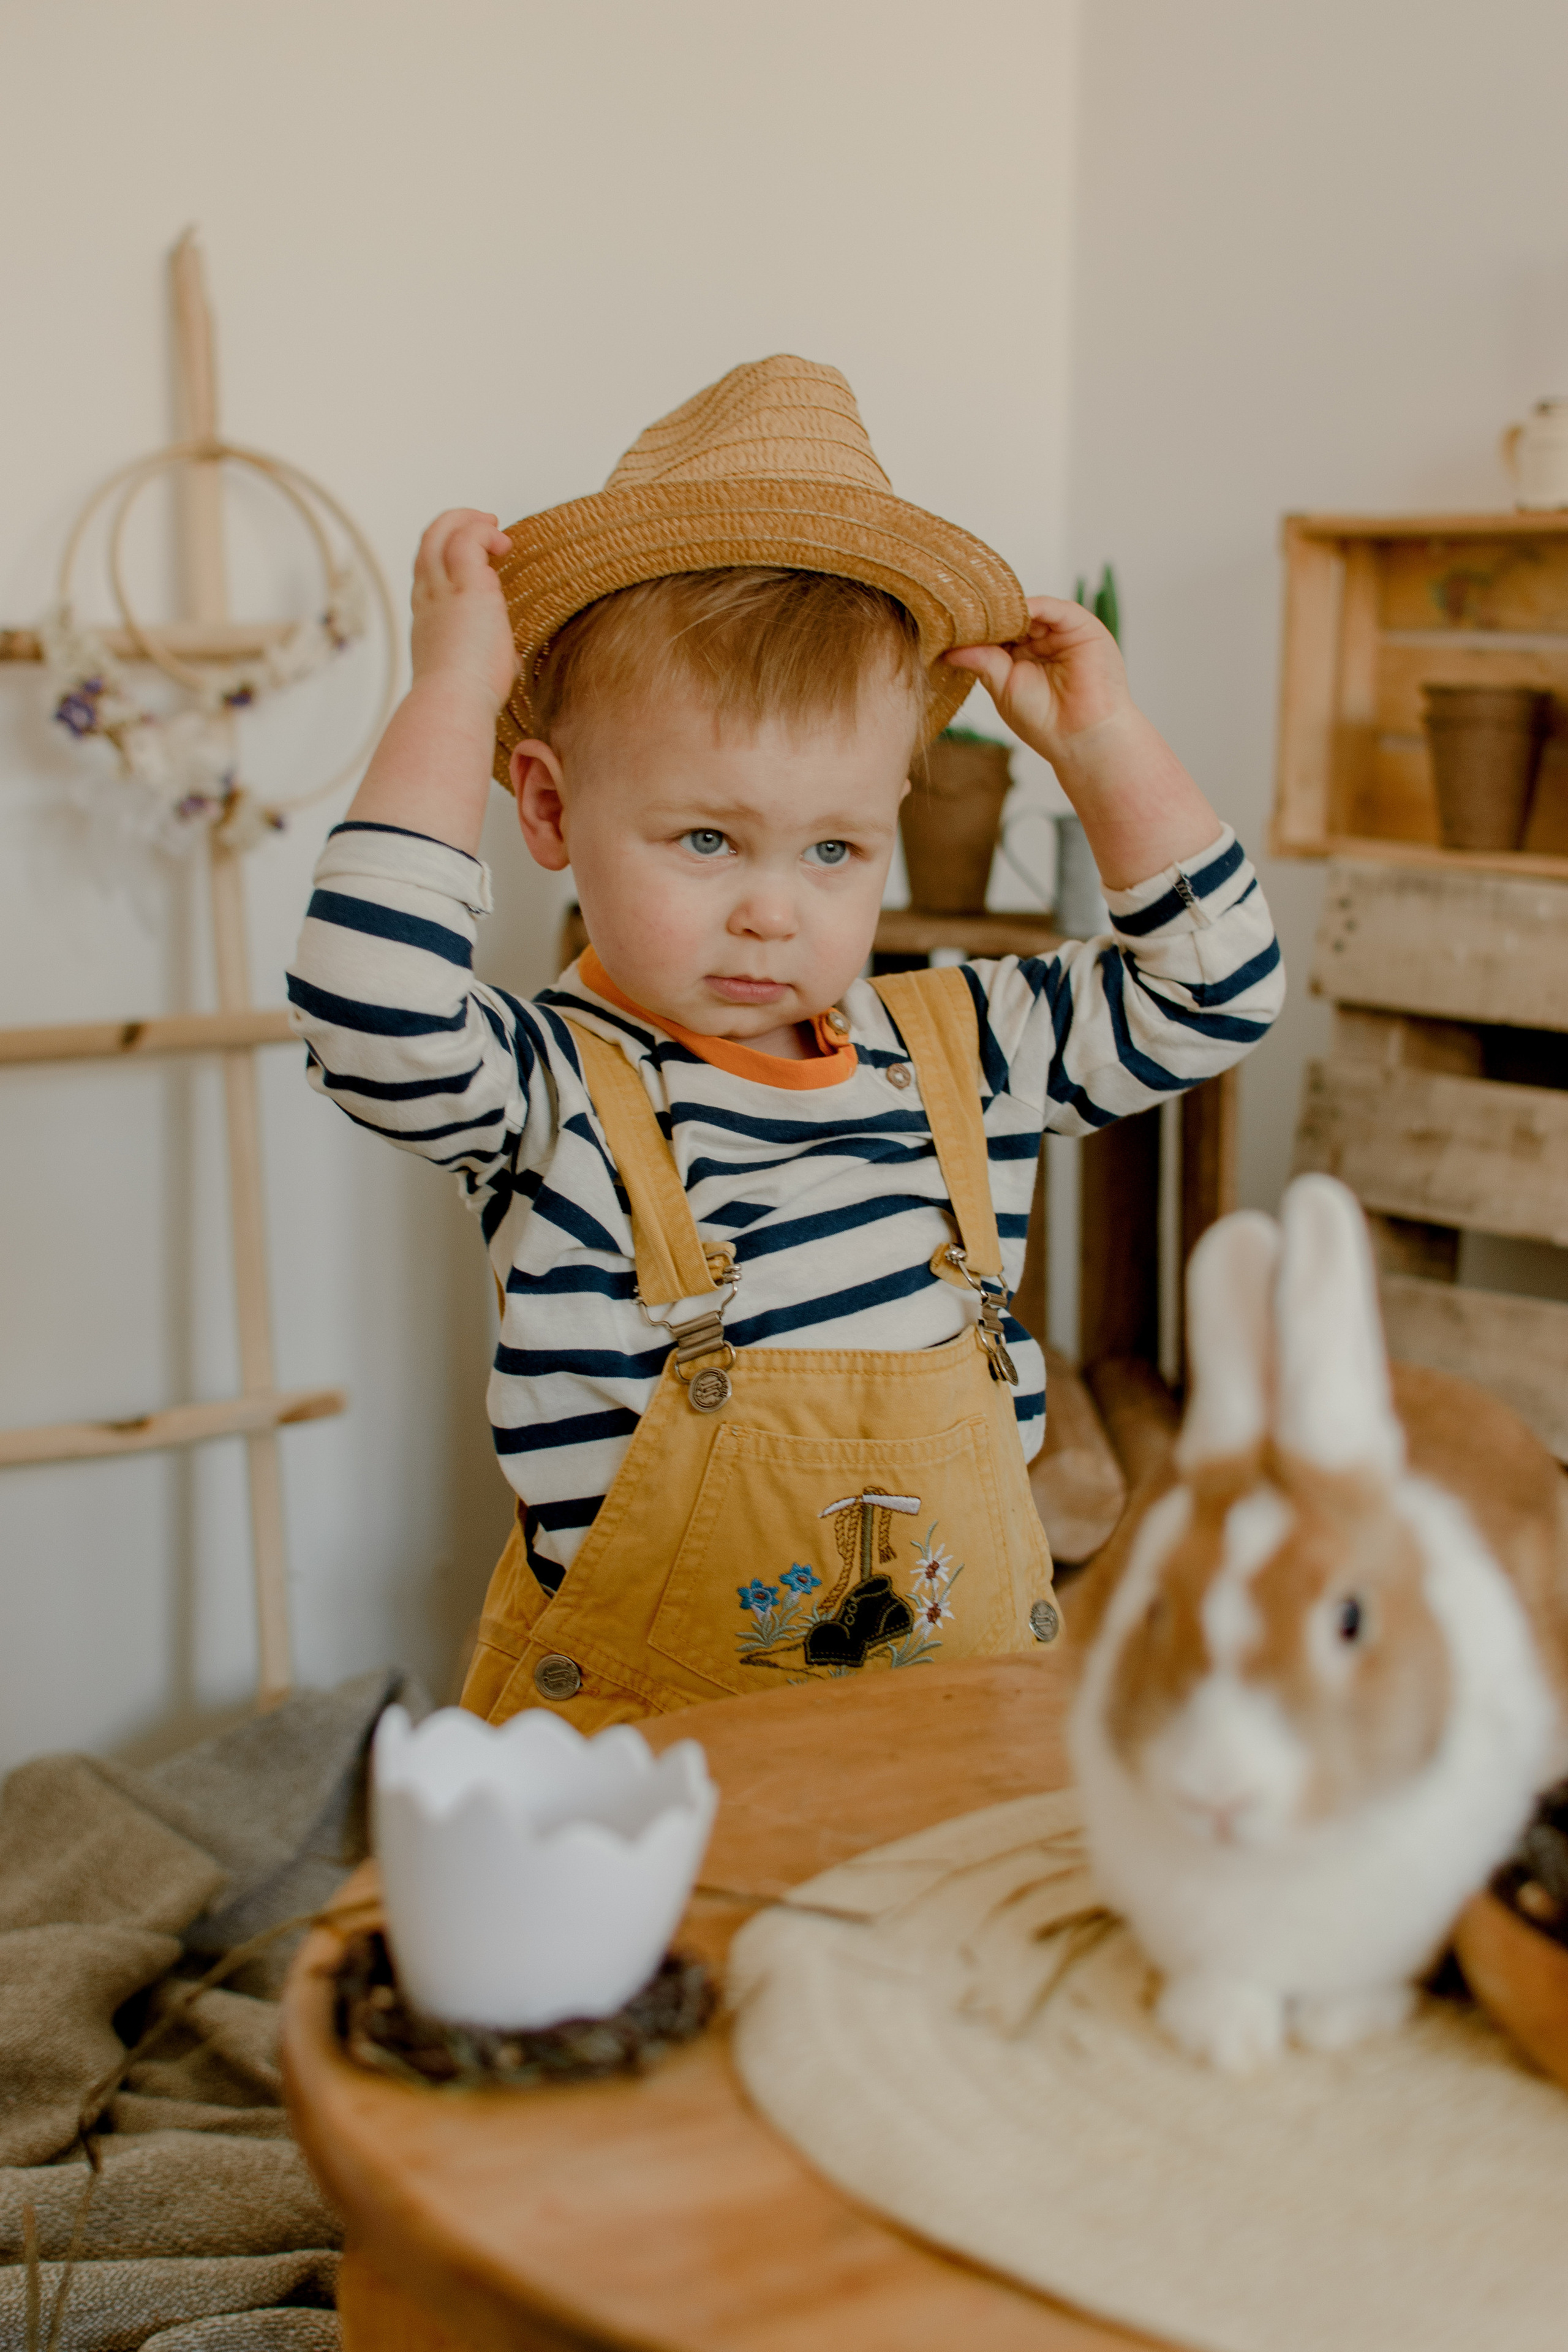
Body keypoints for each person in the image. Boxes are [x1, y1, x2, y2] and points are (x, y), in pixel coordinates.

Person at [287, 356, 1284, 1732]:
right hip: (648, 1768)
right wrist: (456, 695)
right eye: (705, 838)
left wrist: (1103, 745)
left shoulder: (967, 1050)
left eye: (834, 847)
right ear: (544, 808)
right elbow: (364, 1011)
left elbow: (1218, 988)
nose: (772, 910)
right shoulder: (550, 1094)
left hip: (947, 1739)